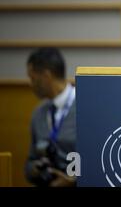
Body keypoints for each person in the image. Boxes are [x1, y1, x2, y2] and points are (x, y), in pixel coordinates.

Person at [25, 48, 76, 186]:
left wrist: (74, 182)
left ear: (46, 76)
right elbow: (29, 163)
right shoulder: (38, 114)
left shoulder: (86, 108)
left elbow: (100, 162)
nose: (31, 84)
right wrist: (34, 170)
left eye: (33, 78)